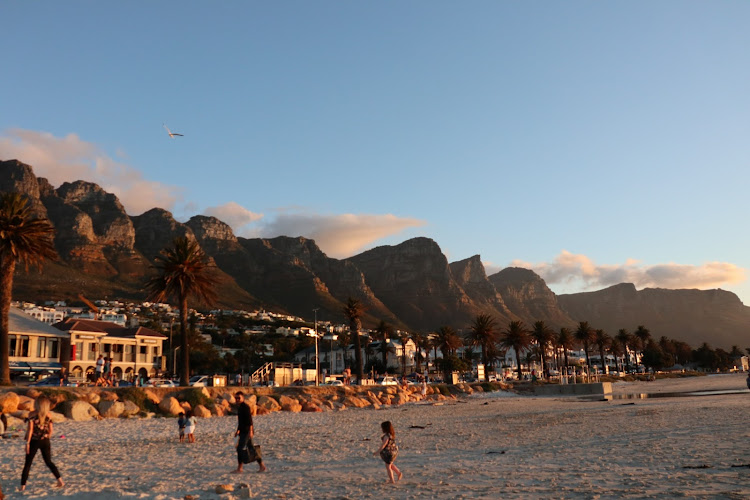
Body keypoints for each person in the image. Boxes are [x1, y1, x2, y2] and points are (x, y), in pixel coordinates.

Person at [20, 396, 64, 492]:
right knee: (48, 462)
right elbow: (51, 430)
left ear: (37, 404)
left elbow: (30, 430)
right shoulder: (48, 415)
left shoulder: (31, 414)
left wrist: (27, 443)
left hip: (34, 441)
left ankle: (23, 486)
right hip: (45, 441)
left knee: (28, 463)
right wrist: (47, 436)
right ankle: (60, 481)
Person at [233, 392, 266, 473]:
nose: (237, 400)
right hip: (243, 431)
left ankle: (239, 468)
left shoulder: (245, 407)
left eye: (238, 398)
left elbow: (249, 421)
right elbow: (240, 421)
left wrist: (251, 431)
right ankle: (262, 466)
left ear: (243, 398)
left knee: (240, 449)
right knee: (251, 448)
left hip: (247, 431)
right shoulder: (240, 407)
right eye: (236, 398)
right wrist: (238, 430)